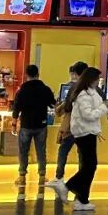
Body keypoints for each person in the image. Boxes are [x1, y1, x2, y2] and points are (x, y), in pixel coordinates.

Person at [54, 67, 108, 212]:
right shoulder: (83, 95)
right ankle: (67, 187)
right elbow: (88, 115)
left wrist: (104, 106)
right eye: (97, 79)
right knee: (90, 166)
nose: (98, 82)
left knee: (88, 167)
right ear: (91, 79)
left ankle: (82, 199)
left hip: (88, 131)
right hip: (85, 132)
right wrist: (104, 108)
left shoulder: (89, 92)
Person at [11, 64, 56, 186]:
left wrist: (14, 124)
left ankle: (22, 176)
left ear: (27, 75)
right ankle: (42, 176)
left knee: (23, 151)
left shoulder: (22, 90)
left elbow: (16, 108)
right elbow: (53, 104)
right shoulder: (45, 89)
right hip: (41, 125)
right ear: (38, 74)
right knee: (41, 151)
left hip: (26, 125)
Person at [46, 61, 87, 190]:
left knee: (63, 151)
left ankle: (59, 177)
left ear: (75, 73)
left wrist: (59, 107)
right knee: (83, 154)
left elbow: (63, 108)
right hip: (85, 127)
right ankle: (82, 178)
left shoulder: (72, 89)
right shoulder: (91, 89)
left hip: (70, 126)